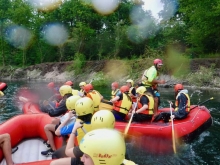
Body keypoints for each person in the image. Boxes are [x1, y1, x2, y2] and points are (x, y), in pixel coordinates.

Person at [41, 85, 73, 156]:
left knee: (46, 127)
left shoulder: (65, 101)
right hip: (69, 118)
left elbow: (53, 113)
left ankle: (53, 149)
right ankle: (49, 141)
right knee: (53, 121)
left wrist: (47, 106)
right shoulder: (73, 98)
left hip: (68, 121)